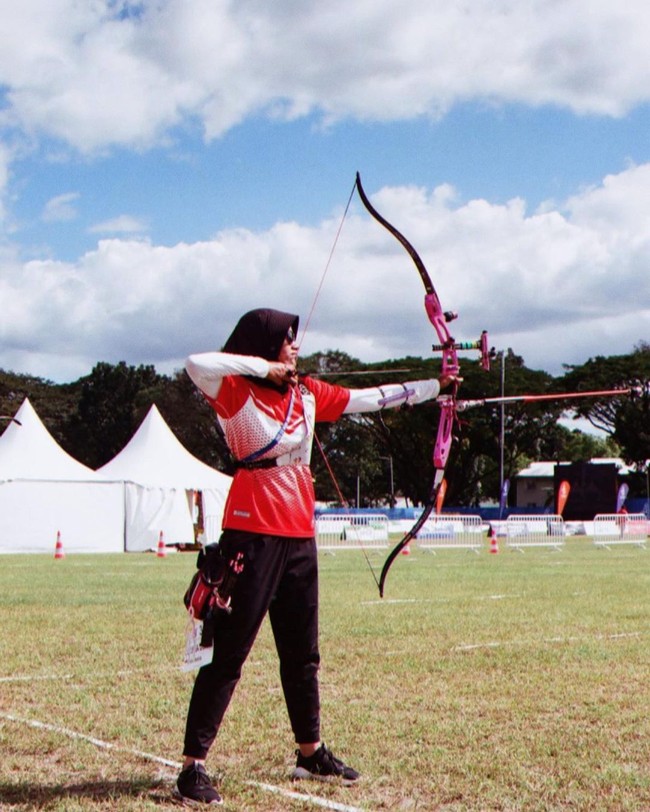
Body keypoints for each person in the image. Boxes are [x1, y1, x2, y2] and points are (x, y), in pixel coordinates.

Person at [175, 307, 456, 806]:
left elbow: (369, 399)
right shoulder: (236, 392)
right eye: (286, 341)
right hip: (251, 534)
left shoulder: (306, 395)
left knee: (302, 653)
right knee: (230, 655)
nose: (294, 349)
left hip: (299, 534)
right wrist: (263, 370)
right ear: (263, 348)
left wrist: (437, 387)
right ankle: (192, 768)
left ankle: (310, 751)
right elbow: (197, 363)